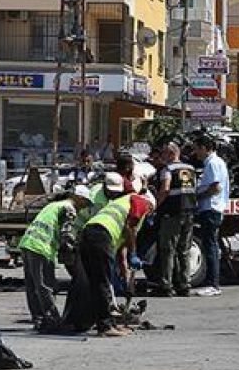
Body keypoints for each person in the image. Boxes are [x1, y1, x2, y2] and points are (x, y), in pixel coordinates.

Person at [68, 172, 153, 337]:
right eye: (151, 210)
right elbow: (130, 228)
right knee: (102, 282)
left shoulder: (120, 203)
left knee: (94, 282)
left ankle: (91, 321)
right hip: (100, 236)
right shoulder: (139, 201)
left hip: (88, 233)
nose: (149, 213)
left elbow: (120, 244)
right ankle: (105, 326)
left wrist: (125, 267)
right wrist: (134, 254)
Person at [17, 185, 92, 332]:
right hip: (41, 247)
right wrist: (72, 250)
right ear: (78, 198)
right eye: (85, 203)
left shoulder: (53, 205)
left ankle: (39, 319)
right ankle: (53, 319)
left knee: (33, 286)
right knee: (45, 285)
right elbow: (66, 232)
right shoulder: (69, 208)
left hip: (28, 244)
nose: (84, 207)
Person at [154, 142, 197, 297]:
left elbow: (165, 189)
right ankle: (184, 285)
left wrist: (155, 205)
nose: (162, 157)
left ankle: (166, 285)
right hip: (189, 213)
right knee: (184, 250)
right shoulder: (191, 169)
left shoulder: (168, 170)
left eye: (164, 154)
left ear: (172, 154)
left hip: (172, 214)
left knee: (168, 250)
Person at [193, 135, 229, 297]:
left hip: (211, 209)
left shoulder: (213, 163)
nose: (195, 152)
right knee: (210, 246)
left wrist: (196, 197)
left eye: (197, 148)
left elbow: (215, 188)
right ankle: (212, 283)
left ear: (205, 148)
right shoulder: (215, 163)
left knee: (210, 247)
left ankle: (213, 284)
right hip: (212, 209)